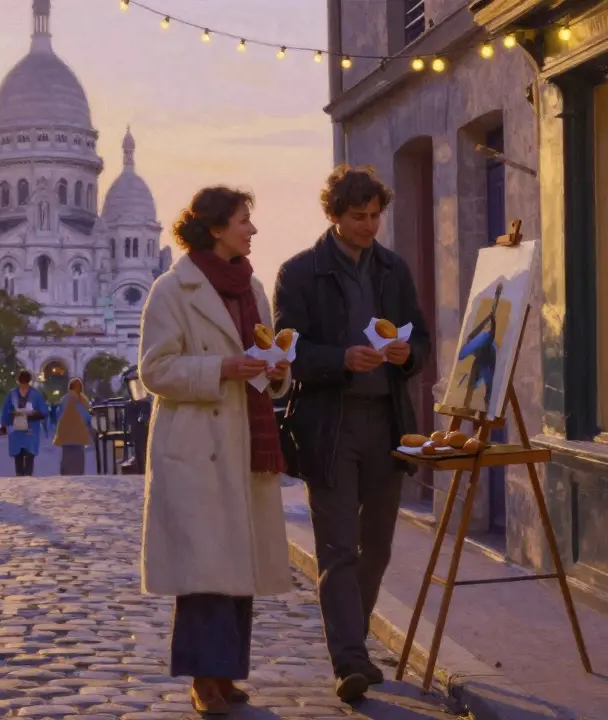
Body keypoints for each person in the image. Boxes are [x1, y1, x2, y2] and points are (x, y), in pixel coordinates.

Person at [273, 165, 431, 701]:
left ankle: (355, 641)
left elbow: (422, 336)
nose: (371, 225)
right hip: (329, 426)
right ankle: (349, 660)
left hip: (386, 422)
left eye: (376, 215)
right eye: (359, 217)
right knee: (338, 546)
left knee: (377, 546)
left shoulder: (393, 270)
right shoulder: (299, 273)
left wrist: (410, 356)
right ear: (334, 216)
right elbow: (288, 349)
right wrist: (341, 358)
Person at [139, 186, 292, 716]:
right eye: (244, 220)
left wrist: (275, 370)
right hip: (197, 446)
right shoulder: (170, 290)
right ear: (215, 227)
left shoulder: (252, 287)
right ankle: (203, 679)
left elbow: (266, 359)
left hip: (245, 441)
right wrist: (221, 369)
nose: (252, 230)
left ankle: (226, 674)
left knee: (236, 564)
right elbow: (154, 371)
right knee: (204, 569)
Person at [0, 370, 47, 476]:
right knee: (29, 456)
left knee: (18, 458)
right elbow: (44, 411)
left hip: (16, 428)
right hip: (31, 429)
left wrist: (4, 425)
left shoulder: (12, 394)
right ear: (30, 380)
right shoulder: (36, 394)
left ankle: (20, 478)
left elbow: (5, 411)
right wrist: (33, 413)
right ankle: (28, 478)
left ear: (17, 380)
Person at [53, 378, 93, 475]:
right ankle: (77, 474)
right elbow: (86, 416)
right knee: (78, 457)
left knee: (66, 455)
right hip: (78, 434)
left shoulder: (64, 399)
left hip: (65, 434)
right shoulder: (82, 400)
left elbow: (58, 415)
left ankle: (66, 473)